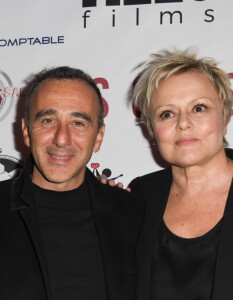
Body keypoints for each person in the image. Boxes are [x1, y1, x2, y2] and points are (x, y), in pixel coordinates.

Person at [129, 49, 233, 300]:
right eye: (167, 113)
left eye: (199, 108)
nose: (183, 123)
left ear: (225, 117)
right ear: (152, 129)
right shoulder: (139, 198)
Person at [0, 66, 143, 300]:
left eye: (78, 123)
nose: (61, 139)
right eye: (47, 120)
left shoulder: (132, 213)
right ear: (26, 131)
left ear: (98, 136)